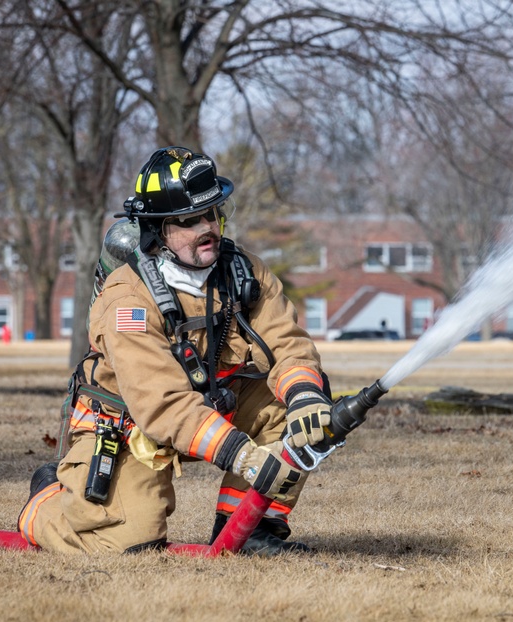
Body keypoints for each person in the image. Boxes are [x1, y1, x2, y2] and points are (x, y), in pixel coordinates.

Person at [18, 147, 333, 555]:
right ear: (157, 231)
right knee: (132, 543)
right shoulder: (127, 301)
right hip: (129, 426)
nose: (209, 227)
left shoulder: (245, 272)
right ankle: (44, 503)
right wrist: (242, 455)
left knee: (301, 403)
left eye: (213, 213)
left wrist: (305, 396)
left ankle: (249, 530)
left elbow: (287, 342)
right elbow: (161, 403)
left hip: (214, 406)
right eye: (190, 220)